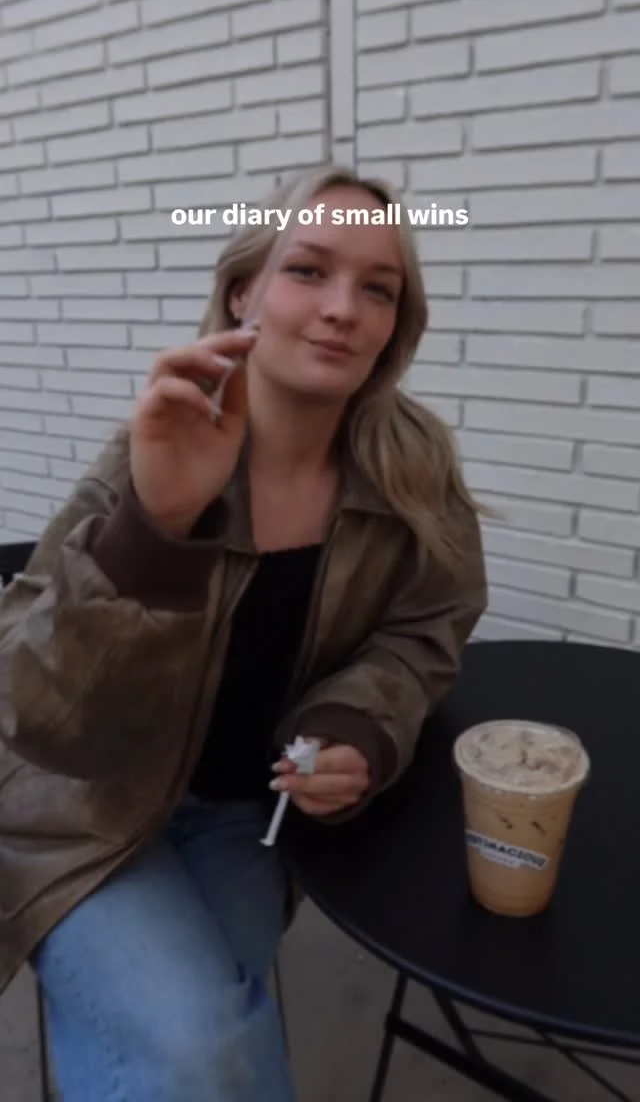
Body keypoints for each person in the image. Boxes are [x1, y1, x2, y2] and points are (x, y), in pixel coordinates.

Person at [0, 164, 488, 1101]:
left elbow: (427, 628)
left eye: (378, 289)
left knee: (198, 1045)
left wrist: (356, 724)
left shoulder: (415, 469)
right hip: (84, 806)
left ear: (397, 322)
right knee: (197, 1047)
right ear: (241, 292)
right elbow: (35, 712)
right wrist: (154, 528)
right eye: (307, 270)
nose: (342, 309)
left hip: (245, 812)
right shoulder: (159, 445)